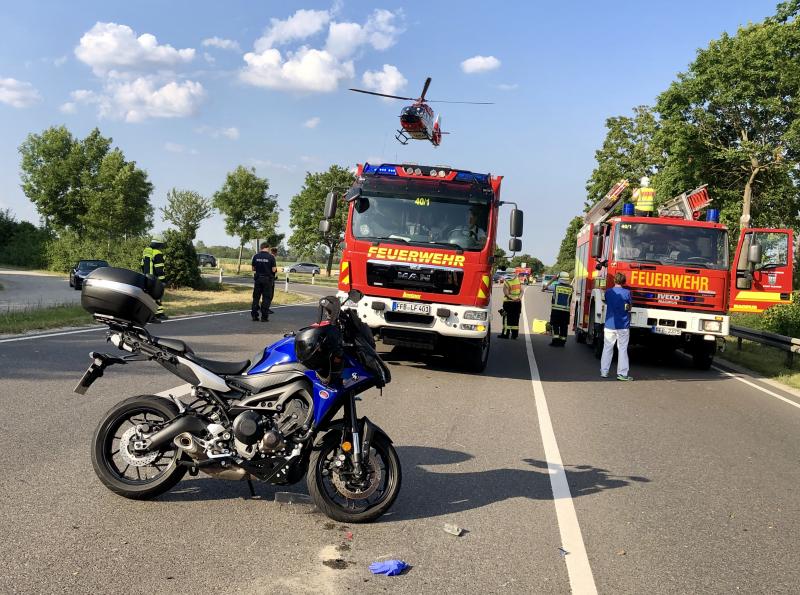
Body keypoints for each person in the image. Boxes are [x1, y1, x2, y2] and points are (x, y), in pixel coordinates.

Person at [601, 272, 633, 381]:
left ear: (614, 280)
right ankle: (622, 374)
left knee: (607, 348)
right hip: (623, 325)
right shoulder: (627, 293)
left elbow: (605, 301)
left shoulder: (609, 292)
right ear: (624, 281)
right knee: (622, 349)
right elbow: (629, 307)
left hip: (609, 325)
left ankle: (604, 371)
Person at [141, 233, 166, 318]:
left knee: (149, 296)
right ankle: (157, 314)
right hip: (154, 278)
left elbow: (142, 265)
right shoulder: (157, 253)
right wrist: (162, 281)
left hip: (146, 277)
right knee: (157, 294)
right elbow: (159, 269)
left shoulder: (146, 251)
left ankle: (155, 313)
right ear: (159, 244)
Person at [251, 242, 277, 322]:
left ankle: (254, 316)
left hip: (258, 279)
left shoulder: (256, 256)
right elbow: (273, 270)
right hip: (267, 280)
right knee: (266, 298)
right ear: (267, 248)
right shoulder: (271, 257)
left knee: (256, 298)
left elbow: (253, 269)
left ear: (261, 248)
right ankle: (264, 317)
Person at [549, 271, 573, 346]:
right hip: (566, 311)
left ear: (559, 278)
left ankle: (555, 341)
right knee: (564, 326)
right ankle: (562, 342)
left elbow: (545, 287)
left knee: (555, 325)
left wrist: (554, 279)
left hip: (556, 310)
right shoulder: (571, 288)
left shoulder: (555, 286)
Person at [498, 271, 522, 339]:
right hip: (517, 303)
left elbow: (506, 293)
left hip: (509, 303)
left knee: (506, 318)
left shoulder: (507, 282)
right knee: (515, 318)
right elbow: (522, 291)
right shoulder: (518, 281)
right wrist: (518, 298)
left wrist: (512, 298)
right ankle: (514, 335)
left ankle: (505, 334)